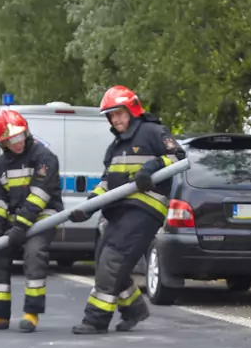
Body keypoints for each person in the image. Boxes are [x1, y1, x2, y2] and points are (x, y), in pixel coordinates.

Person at [70, 85, 186, 335]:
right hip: (119, 211)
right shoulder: (115, 147)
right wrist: (88, 206)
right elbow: (106, 183)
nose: (115, 119)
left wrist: (151, 169)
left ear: (132, 110)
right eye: (111, 115)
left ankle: (96, 319)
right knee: (104, 260)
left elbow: (179, 158)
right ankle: (134, 310)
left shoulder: (153, 131)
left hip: (144, 209)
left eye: (119, 113)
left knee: (112, 261)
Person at [0, 109, 63, 333]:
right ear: (2, 143)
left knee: (34, 253)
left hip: (42, 219)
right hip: (16, 223)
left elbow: (39, 197)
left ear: (26, 133)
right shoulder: (0, 167)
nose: (18, 143)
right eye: (11, 140)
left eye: (20, 137)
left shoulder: (44, 157)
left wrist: (20, 226)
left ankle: (31, 313)